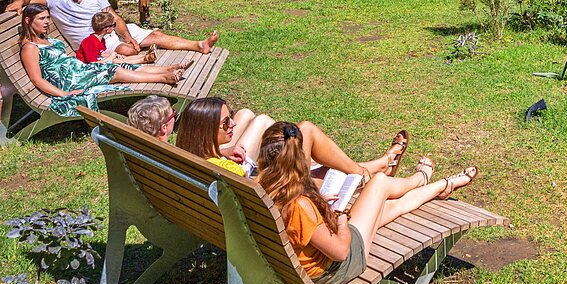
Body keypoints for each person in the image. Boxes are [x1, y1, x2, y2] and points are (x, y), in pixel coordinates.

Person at [257, 121, 477, 284]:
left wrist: (319, 205)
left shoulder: (261, 187)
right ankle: (419, 179)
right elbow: (341, 252)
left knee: (388, 208)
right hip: (334, 269)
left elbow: (301, 227)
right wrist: (341, 218)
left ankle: (441, 186)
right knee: (379, 183)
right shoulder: (299, 205)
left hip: (302, 261)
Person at [174, 97, 408, 180]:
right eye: (226, 122)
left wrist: (223, 151)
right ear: (205, 131)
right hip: (279, 189)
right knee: (306, 130)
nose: (232, 124)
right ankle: (368, 173)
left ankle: (378, 166)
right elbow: (264, 185)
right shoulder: (229, 172)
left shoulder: (186, 153)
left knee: (319, 164)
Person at [7, 0, 219, 55]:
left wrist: (127, 36)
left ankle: (198, 45)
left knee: (155, 36)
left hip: (112, 32)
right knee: (128, 51)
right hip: (94, 44)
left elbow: (114, 18)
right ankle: (141, 55)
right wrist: (19, 2)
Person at [19, 5, 189, 117]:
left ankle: (168, 69)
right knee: (112, 70)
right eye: (41, 18)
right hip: (70, 81)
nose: (47, 22)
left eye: (47, 18)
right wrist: (64, 94)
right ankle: (163, 78)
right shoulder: (30, 48)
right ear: (28, 21)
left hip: (78, 70)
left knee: (121, 65)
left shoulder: (46, 39)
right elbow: (37, 79)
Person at [76, 11, 148, 65]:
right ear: (107, 29)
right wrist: (110, 58)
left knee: (119, 58)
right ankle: (144, 60)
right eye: (114, 25)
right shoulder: (91, 42)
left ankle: (145, 57)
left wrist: (115, 55)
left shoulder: (101, 40)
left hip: (97, 62)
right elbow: (93, 63)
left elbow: (102, 53)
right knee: (115, 61)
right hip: (84, 68)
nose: (115, 27)